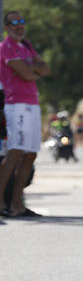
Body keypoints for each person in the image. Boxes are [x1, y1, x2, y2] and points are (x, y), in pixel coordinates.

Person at [0, 11, 49, 217]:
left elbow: (45, 68)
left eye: (22, 21)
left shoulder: (26, 45)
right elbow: (28, 74)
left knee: (30, 154)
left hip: (33, 103)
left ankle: (16, 204)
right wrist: (33, 68)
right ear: (7, 26)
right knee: (15, 152)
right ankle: (0, 202)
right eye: (14, 22)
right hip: (15, 104)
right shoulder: (5, 47)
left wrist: (33, 68)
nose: (19, 25)